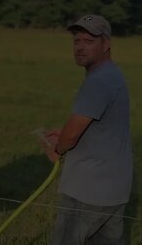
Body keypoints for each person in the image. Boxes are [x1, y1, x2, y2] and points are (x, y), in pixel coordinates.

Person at [41, 14, 132, 244]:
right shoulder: (113, 75)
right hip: (114, 189)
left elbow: (71, 138)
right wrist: (65, 133)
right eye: (77, 41)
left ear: (106, 44)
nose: (80, 47)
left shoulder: (98, 81)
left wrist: (57, 147)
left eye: (88, 41)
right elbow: (98, 125)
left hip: (87, 190)